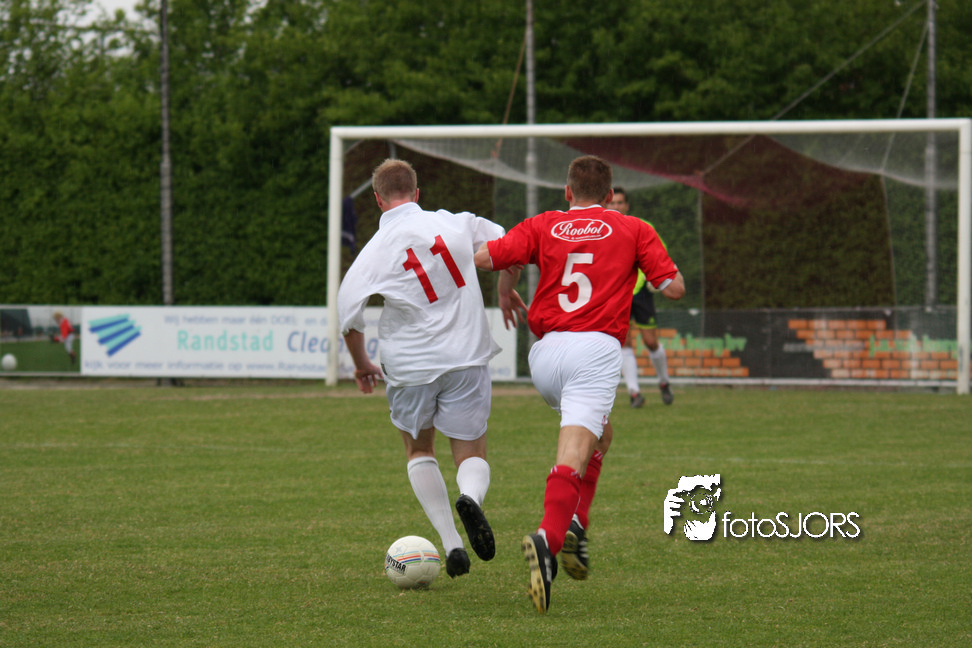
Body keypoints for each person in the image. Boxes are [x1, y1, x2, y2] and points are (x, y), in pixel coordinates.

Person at [474, 155, 684, 613]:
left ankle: (576, 526)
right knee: (573, 451)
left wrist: (506, 287)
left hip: (544, 355)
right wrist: (657, 272)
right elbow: (673, 288)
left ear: (567, 192)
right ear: (609, 195)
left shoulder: (543, 223)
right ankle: (548, 540)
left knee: (601, 437)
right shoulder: (633, 228)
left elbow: (489, 257)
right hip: (594, 351)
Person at [337, 158, 504, 579]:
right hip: (466, 355)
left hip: (410, 365)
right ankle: (471, 498)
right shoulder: (456, 222)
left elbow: (349, 316)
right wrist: (507, 291)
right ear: (417, 193)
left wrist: (361, 365)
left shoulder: (374, 250)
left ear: (377, 200)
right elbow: (508, 244)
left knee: (418, 450)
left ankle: (451, 544)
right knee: (471, 452)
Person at [607, 187, 674, 407]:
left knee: (651, 342)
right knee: (623, 342)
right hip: (617, 294)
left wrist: (652, 277)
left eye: (620, 203)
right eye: (612, 203)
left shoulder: (643, 227)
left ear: (627, 206)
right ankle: (634, 393)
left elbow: (659, 254)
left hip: (641, 292)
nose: (616, 206)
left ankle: (664, 382)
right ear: (606, 204)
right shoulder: (601, 230)